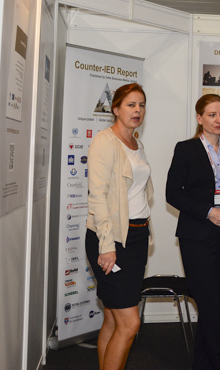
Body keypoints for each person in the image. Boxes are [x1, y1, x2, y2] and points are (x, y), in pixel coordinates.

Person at [166, 94, 220, 370]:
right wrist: (207, 211)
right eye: (212, 114)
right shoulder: (186, 149)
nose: (218, 119)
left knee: (216, 304)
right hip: (196, 236)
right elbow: (173, 193)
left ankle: (201, 364)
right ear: (200, 118)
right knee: (209, 303)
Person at [85, 83, 153, 370]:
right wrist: (107, 246)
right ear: (115, 109)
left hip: (136, 238)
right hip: (111, 240)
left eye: (141, 105)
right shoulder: (104, 141)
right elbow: (97, 197)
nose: (137, 110)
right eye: (130, 105)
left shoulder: (137, 143)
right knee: (130, 323)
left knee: (113, 319)